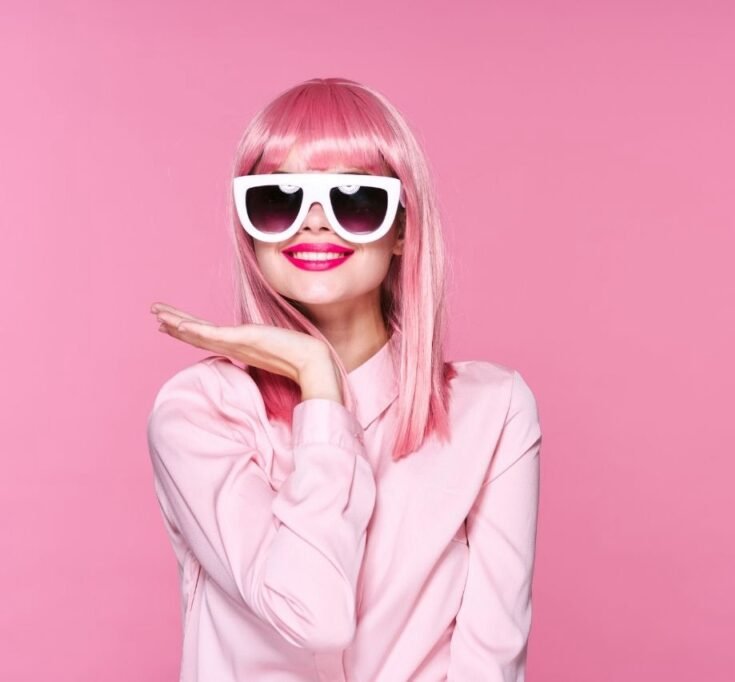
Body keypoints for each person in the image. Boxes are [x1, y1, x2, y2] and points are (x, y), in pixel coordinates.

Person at [145, 77, 542, 682]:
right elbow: (310, 615)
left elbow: (491, 661)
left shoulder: (493, 412)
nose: (314, 223)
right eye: (278, 199)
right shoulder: (198, 412)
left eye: (355, 200)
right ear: (250, 229)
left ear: (403, 228)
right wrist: (319, 386)